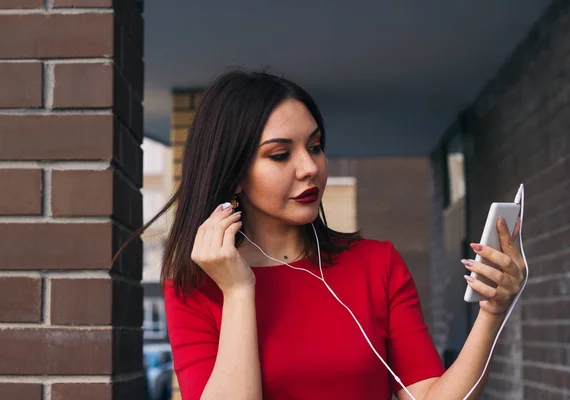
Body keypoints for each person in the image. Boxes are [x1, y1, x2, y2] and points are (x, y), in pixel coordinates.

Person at [122, 70, 525, 400]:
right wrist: (239, 292)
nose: (309, 167)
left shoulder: (376, 264)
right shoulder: (195, 287)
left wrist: (491, 311)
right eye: (280, 155)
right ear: (234, 175)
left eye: (315, 147)